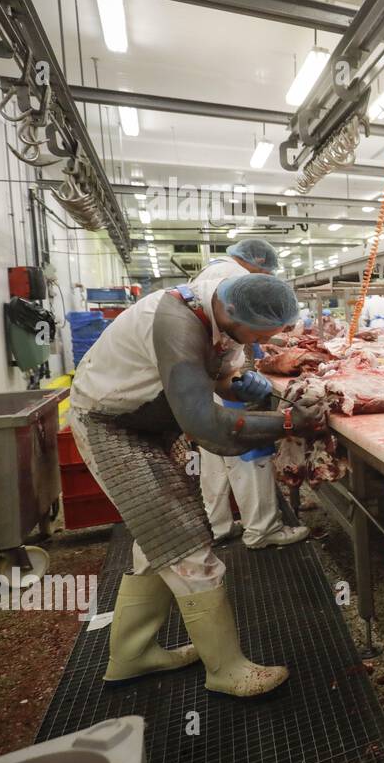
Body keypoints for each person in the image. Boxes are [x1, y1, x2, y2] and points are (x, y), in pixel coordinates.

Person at [69, 273, 324, 697]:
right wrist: (286, 423)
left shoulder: (217, 315)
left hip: (148, 425)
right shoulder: (176, 321)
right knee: (187, 546)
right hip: (111, 426)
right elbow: (206, 426)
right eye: (257, 335)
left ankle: (132, 655)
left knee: (159, 540)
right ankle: (226, 669)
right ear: (230, 313)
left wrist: (241, 383)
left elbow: (221, 378)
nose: (260, 342)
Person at [191, 239, 308, 552]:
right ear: (256, 264)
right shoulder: (237, 281)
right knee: (249, 450)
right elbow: (241, 332)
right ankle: (263, 530)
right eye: (266, 272)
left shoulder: (213, 272)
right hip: (223, 379)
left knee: (214, 457)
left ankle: (218, 525)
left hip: (204, 382)